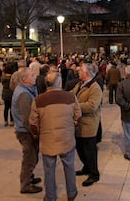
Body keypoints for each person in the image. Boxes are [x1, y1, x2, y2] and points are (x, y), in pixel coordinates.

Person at [29, 72, 81, 201]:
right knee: (69, 166)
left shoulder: (38, 100)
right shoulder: (70, 97)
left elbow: (33, 123)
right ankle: (71, 193)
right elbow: (78, 116)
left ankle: (50, 196)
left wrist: (37, 134)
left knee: (49, 170)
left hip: (47, 139)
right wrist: (72, 127)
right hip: (66, 138)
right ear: (59, 83)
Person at [11, 68, 42, 194]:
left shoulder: (26, 89)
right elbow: (27, 118)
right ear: (24, 79)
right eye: (32, 75)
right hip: (26, 132)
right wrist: (35, 133)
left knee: (32, 157)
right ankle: (25, 185)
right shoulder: (24, 94)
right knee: (29, 159)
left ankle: (29, 177)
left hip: (25, 130)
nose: (35, 77)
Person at [71, 62, 102, 187]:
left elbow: (92, 106)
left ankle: (94, 173)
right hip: (79, 124)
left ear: (87, 73)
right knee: (80, 148)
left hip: (88, 125)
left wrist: (75, 106)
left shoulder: (95, 87)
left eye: (80, 71)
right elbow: (71, 95)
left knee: (90, 151)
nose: (78, 72)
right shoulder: (80, 84)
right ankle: (86, 167)